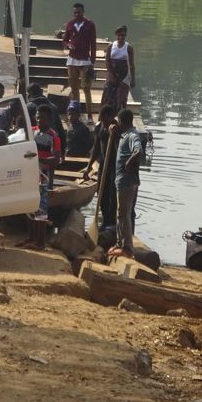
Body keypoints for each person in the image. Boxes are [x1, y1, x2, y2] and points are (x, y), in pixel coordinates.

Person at [110, 108, 143, 258]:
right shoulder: (124, 135)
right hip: (122, 181)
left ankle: (127, 249)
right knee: (120, 214)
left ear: (122, 122)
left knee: (124, 214)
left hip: (127, 182)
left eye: (117, 121)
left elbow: (138, 150)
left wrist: (130, 161)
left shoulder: (132, 135)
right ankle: (120, 243)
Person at [83, 105, 119, 228]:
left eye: (105, 120)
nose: (104, 123)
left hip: (115, 165)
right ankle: (104, 219)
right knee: (101, 191)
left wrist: (113, 135)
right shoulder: (99, 127)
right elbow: (96, 149)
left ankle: (112, 221)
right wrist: (89, 166)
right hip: (104, 163)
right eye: (102, 120)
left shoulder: (116, 128)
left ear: (112, 117)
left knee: (112, 194)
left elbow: (119, 149)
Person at [62, 2, 97, 122]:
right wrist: (68, 45)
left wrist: (92, 61)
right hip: (72, 60)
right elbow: (65, 40)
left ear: (83, 12)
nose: (77, 14)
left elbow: (93, 43)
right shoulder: (70, 24)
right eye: (75, 12)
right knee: (74, 88)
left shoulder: (90, 25)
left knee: (86, 88)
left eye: (79, 12)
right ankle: (75, 114)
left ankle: (90, 115)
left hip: (85, 61)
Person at [33, 107, 62, 218]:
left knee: (42, 212)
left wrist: (37, 159)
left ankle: (40, 233)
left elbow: (55, 160)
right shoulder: (32, 131)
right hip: (32, 176)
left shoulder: (53, 137)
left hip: (45, 177)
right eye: (38, 118)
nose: (39, 120)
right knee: (32, 210)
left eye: (42, 118)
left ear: (49, 120)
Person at [102, 26, 135, 116]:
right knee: (107, 97)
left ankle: (123, 118)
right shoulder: (111, 46)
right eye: (119, 35)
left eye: (123, 35)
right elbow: (107, 61)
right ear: (116, 35)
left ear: (126, 35)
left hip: (124, 77)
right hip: (112, 75)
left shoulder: (129, 47)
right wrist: (111, 74)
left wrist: (133, 79)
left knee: (122, 99)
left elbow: (131, 65)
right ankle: (106, 117)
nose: (121, 37)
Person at [26, 82, 66, 153]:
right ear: (41, 92)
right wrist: (62, 150)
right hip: (53, 144)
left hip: (35, 145)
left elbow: (24, 128)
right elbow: (60, 130)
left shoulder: (28, 107)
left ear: (29, 95)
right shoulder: (53, 107)